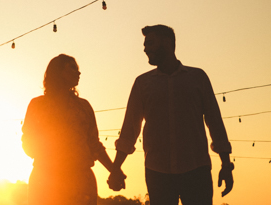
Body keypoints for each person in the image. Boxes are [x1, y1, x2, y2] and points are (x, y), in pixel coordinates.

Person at [108, 24, 234, 204]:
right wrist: (115, 168)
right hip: (157, 173)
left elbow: (215, 122)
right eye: (144, 45)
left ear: (167, 43)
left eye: (150, 43)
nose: (145, 49)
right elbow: (129, 130)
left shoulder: (198, 78)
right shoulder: (142, 84)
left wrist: (226, 165)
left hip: (196, 170)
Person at [21, 54, 124, 205]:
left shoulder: (83, 106)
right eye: (73, 67)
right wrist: (47, 159)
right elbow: (27, 139)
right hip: (46, 181)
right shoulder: (38, 105)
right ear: (58, 72)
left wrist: (114, 170)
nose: (79, 72)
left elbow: (94, 144)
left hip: (80, 183)